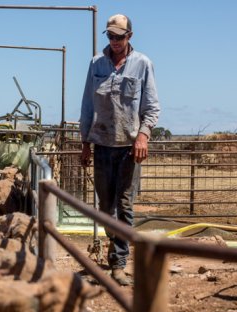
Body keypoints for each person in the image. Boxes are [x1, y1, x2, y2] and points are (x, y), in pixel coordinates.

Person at [79, 14, 160, 286]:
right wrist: (84, 142)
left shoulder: (142, 64)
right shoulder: (96, 64)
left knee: (124, 205)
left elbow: (151, 107)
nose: (114, 41)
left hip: (128, 147)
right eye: (111, 36)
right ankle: (116, 250)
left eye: (119, 36)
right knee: (105, 207)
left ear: (130, 37)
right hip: (102, 144)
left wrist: (143, 136)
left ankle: (119, 262)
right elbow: (87, 106)